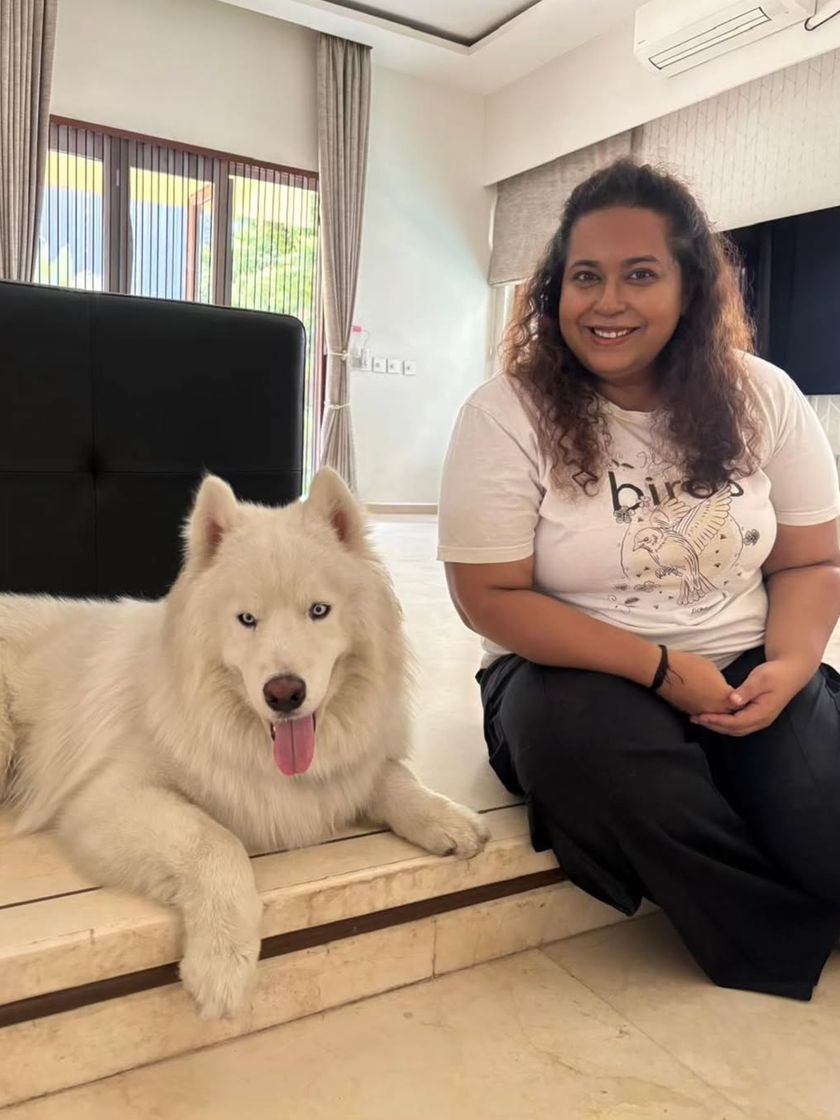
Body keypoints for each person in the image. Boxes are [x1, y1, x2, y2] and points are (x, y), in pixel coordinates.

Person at [438, 159, 840, 1001]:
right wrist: (659, 669)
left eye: (641, 274)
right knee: (602, 763)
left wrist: (792, 665)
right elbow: (488, 596)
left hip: (746, 660)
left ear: (691, 288)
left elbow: (811, 560)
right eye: (586, 276)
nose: (607, 301)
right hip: (570, 674)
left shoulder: (765, 395)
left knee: (818, 811)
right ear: (556, 289)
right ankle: (781, 938)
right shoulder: (505, 414)